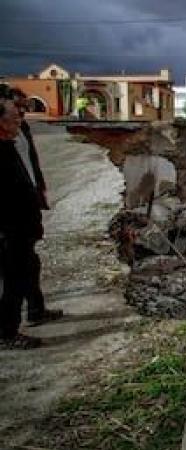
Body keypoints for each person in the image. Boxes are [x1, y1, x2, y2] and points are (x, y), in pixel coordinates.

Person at [8, 88, 63, 326]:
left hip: (27, 204)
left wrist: (39, 188)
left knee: (30, 263)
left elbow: (31, 162)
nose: (23, 111)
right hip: (9, 216)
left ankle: (36, 310)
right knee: (13, 272)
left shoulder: (21, 130)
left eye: (25, 107)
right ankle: (7, 330)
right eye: (17, 106)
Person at [0, 99, 43, 348]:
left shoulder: (9, 146)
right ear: (1, 122)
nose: (20, 121)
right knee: (12, 283)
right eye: (14, 117)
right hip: (9, 231)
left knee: (27, 271)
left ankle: (35, 311)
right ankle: (7, 333)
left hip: (21, 229)